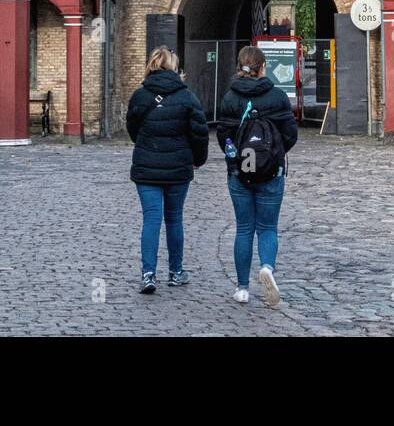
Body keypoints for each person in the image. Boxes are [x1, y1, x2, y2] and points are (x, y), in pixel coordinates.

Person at [215, 45, 298, 306]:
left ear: (240, 66)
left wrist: (233, 160)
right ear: (263, 67)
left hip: (240, 173)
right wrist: (274, 154)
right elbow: (290, 134)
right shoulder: (277, 96)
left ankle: (241, 288)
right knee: (268, 227)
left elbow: (224, 136)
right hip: (271, 173)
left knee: (244, 228)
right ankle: (267, 268)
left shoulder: (230, 97)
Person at [126, 46, 208, 294]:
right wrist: (198, 159)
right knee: (174, 218)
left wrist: (145, 144)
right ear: (174, 67)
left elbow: (133, 129)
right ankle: (175, 271)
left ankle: (148, 274)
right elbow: (200, 133)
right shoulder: (187, 97)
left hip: (146, 167)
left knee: (151, 219)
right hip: (178, 167)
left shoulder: (140, 97)